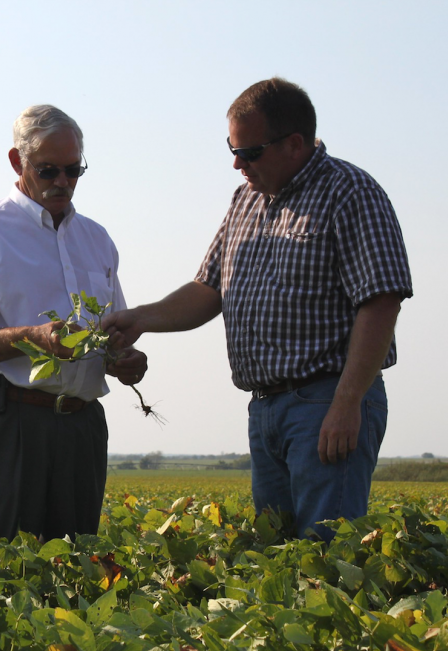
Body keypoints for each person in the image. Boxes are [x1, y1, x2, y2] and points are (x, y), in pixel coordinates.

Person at [104, 78, 413, 541]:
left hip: (325, 401)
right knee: (279, 557)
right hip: (265, 408)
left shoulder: (350, 192)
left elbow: (381, 301)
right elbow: (209, 288)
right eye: (232, 149)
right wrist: (141, 318)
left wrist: (348, 402)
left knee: (328, 557)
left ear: (294, 144)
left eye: (249, 152)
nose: (237, 164)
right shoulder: (246, 200)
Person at [0, 104, 147, 544]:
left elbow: (112, 333)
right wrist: (33, 339)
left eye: (74, 171)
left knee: (74, 576)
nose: (63, 183)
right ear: (18, 162)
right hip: (10, 426)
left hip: (81, 428)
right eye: (49, 170)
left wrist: (123, 359)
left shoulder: (97, 239)